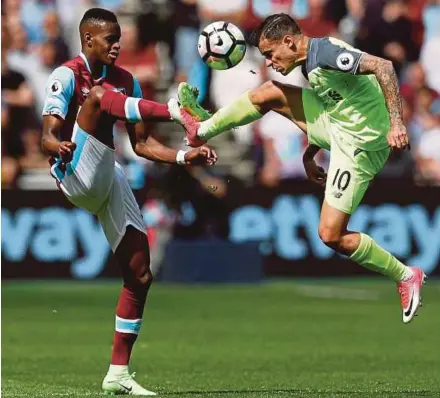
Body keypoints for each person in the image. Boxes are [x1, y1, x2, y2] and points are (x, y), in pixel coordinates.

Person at [174, 13, 426, 324]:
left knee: (330, 234)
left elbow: (383, 67)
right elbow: (339, 103)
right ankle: (201, 129)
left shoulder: (327, 55)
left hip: (361, 147)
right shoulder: (309, 63)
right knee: (269, 91)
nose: (268, 62)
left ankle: (405, 275)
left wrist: (397, 123)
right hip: (338, 127)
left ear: (289, 42)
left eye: (270, 54)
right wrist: (312, 151)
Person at [41, 8, 217, 396]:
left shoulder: (128, 80)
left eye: (119, 36)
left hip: (107, 174)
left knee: (140, 274)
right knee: (100, 99)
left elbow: (142, 145)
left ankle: (118, 373)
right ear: (88, 40)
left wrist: (184, 156)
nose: (118, 44)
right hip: (74, 171)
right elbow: (46, 138)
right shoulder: (67, 75)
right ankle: (174, 110)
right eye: (109, 38)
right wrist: (59, 144)